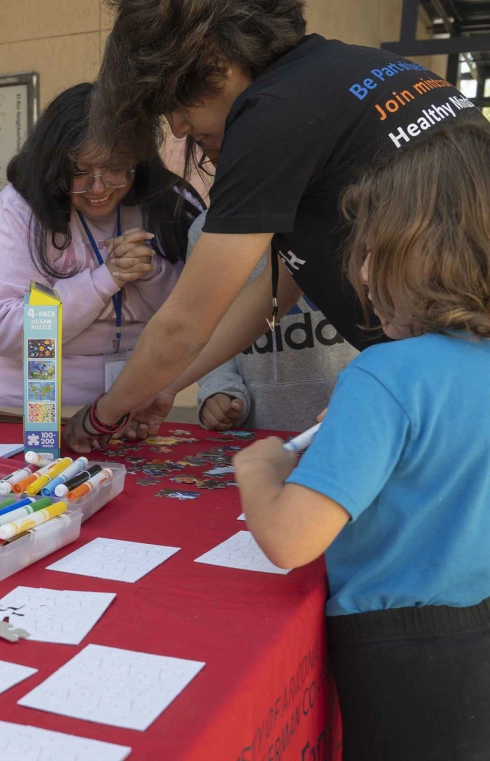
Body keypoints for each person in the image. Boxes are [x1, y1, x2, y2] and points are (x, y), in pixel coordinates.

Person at [64, 0, 488, 449]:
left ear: (213, 60)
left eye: (175, 102)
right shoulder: (363, 72)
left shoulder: (271, 113)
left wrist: (101, 416)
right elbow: (278, 288)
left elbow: (184, 322)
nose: (178, 126)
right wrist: (164, 386)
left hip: (451, 394)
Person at [233, 122, 490, 760]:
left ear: (422, 254)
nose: (363, 272)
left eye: (375, 250)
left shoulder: (383, 373)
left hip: (399, 652)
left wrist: (259, 469)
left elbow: (291, 541)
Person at [0, 82, 204, 425]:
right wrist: (103, 281)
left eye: (116, 169)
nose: (98, 189)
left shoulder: (170, 203)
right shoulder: (16, 212)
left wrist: (150, 273)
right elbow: (7, 330)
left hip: (130, 402)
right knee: (32, 477)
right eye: (79, 172)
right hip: (25, 406)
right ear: (53, 165)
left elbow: (195, 311)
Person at [190, 213, 358, 432]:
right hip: (256, 430)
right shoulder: (208, 229)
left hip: (353, 423)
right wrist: (219, 387)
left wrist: (371, 393)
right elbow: (203, 326)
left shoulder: (354, 209)